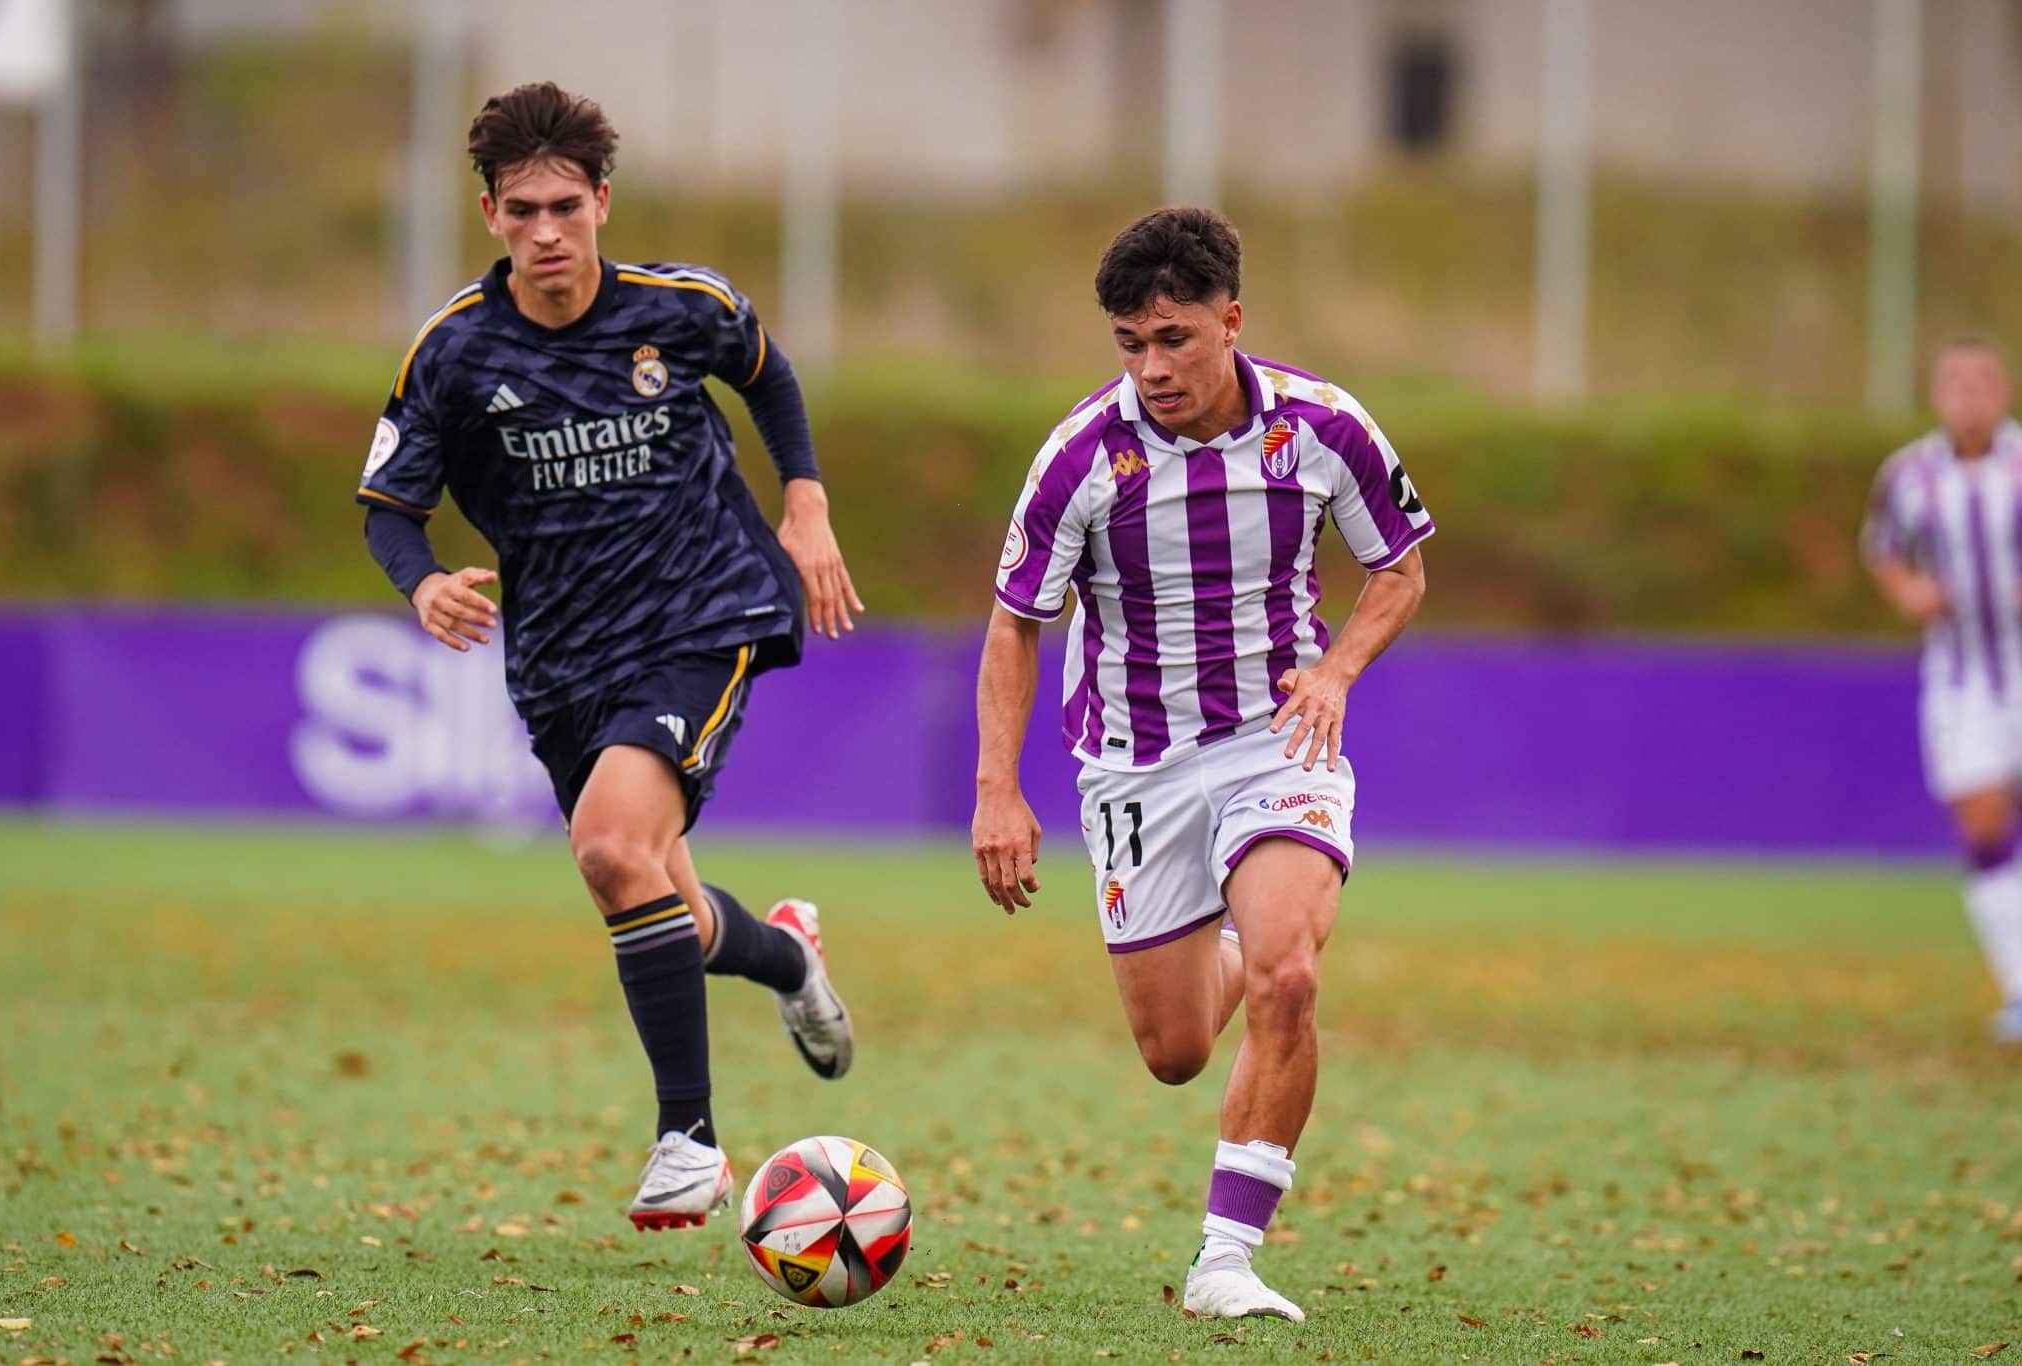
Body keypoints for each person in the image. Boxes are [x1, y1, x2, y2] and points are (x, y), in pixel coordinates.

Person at [354, 82, 862, 1229]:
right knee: (655, 896)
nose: (547, 232)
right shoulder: (451, 352)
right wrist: (423, 579)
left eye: (566, 207)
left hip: (704, 616)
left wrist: (806, 499)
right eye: (522, 209)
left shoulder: (678, 310)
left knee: (607, 846)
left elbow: (767, 371)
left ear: (602, 202)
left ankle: (688, 1140)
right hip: (559, 666)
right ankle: (784, 958)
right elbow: (389, 506)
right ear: (489, 214)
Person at [971, 207, 1431, 1321]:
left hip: (1278, 738)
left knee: (1289, 973)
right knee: (1173, 1047)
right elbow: (1011, 624)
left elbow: (1401, 568)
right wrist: (997, 788)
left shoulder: (1320, 425)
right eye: (1130, 343)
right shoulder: (1081, 455)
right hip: (1133, 764)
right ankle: (1230, 921)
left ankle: (1225, 1256)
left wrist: (1333, 675)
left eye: (1173, 337)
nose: (1151, 366)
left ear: (1231, 319)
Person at [1864, 337, 2022, 1041]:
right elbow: (1883, 547)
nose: (1970, 393)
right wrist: (1908, 591)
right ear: (1936, 394)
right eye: (1955, 381)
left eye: (1982, 380)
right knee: (1983, 820)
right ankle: (2021, 984)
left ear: (2005, 389)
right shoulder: (1909, 474)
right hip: (1962, 676)